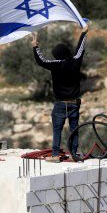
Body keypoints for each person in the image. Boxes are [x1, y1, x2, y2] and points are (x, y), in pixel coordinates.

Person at [32, 22, 89, 162]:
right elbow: (80, 49)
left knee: (57, 130)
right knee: (74, 129)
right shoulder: (75, 62)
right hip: (75, 103)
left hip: (60, 104)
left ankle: (55, 155)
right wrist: (84, 33)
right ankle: (74, 154)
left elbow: (40, 60)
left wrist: (35, 46)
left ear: (56, 55)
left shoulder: (54, 65)